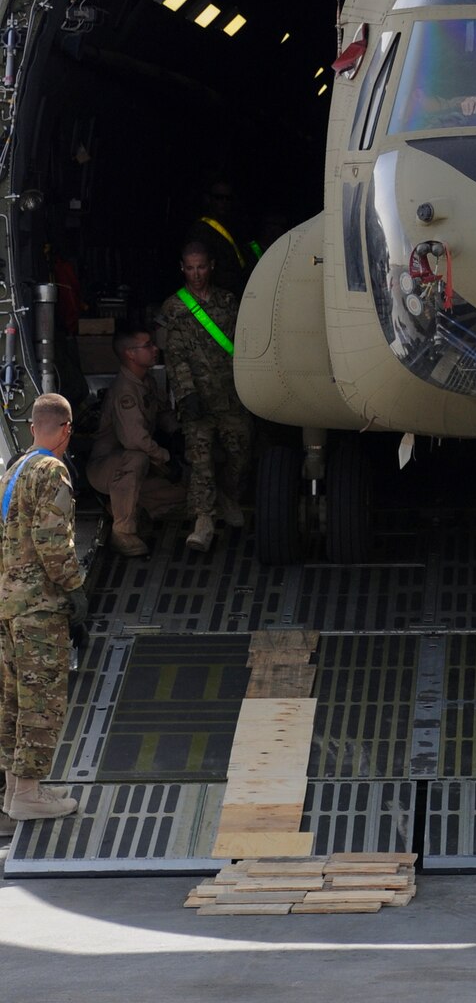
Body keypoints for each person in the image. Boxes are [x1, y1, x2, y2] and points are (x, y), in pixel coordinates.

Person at [0, 393, 86, 822]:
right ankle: (29, 794)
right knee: (41, 700)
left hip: (9, 606)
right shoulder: (52, 470)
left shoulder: (14, 470)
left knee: (13, 701)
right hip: (38, 607)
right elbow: (54, 543)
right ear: (66, 430)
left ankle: (17, 790)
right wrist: (75, 589)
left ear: (33, 426)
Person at [154, 242, 253, 555]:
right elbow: (175, 356)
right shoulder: (174, 308)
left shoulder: (228, 302)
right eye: (190, 267)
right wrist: (186, 394)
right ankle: (204, 523)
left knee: (241, 451)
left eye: (201, 267)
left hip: (231, 396)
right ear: (182, 268)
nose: (196, 274)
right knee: (201, 462)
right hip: (196, 398)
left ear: (211, 266)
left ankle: (227, 495)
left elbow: (245, 343)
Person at [85, 332, 188, 556]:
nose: (155, 349)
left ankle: (126, 506)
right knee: (137, 457)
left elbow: (162, 412)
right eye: (147, 346)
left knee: (185, 491)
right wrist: (166, 458)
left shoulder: (146, 381)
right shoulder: (125, 392)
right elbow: (134, 440)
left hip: (134, 468)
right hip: (107, 468)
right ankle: (123, 532)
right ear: (130, 354)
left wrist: (179, 434)